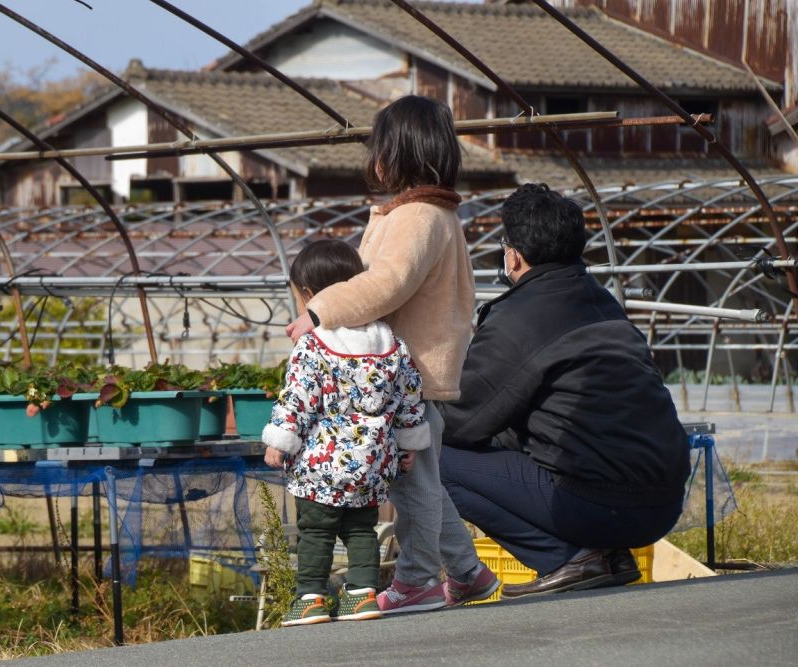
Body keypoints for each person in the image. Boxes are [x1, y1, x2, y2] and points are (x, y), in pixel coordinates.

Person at [286, 95, 498, 614]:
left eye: (380, 148)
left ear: (398, 154)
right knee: (418, 481)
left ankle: (419, 580)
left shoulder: (419, 215)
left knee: (412, 487)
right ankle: (468, 574)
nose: (374, 160)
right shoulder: (413, 213)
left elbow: (386, 282)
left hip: (411, 377)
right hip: (401, 374)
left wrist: (321, 310)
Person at [439, 183, 691, 599]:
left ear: (514, 254)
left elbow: (461, 422)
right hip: (664, 502)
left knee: (436, 457)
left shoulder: (517, 318)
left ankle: (567, 558)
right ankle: (607, 557)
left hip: (602, 504)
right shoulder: (603, 303)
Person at [263, 239, 431, 626]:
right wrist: (410, 444)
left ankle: (311, 598)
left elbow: (299, 399)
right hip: (372, 464)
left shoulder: (314, 345)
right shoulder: (391, 343)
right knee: (361, 530)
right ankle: (362, 596)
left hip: (322, 466)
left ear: (308, 293)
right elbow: (409, 398)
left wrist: (279, 440)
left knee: (316, 531)